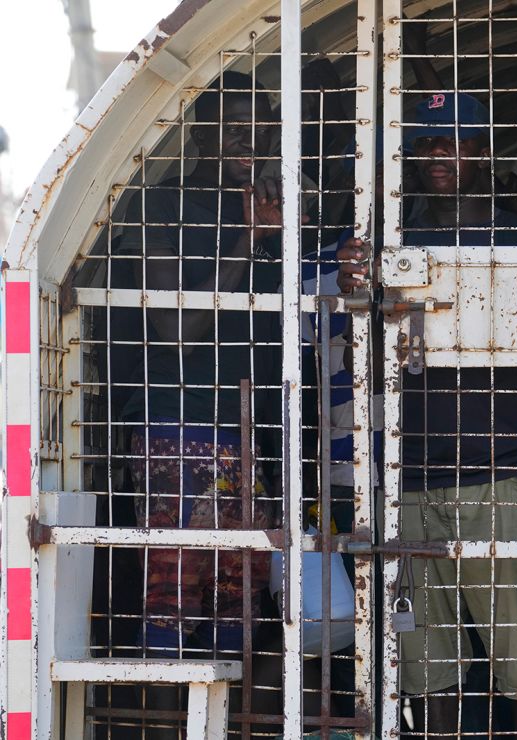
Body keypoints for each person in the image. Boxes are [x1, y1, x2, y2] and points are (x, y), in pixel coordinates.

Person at [337, 92, 517, 738]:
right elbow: (361, 352)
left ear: (483, 149)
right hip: (415, 475)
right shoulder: (392, 241)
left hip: (504, 473)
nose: (437, 156)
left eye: (452, 141)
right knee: (428, 673)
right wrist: (355, 287)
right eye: (426, 144)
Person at [116, 70, 284, 733]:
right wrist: (248, 238)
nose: (249, 140)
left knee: (238, 619)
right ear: (199, 129)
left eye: (260, 128)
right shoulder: (162, 203)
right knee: (169, 614)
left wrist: (272, 228)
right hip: (173, 428)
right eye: (234, 126)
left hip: (246, 431)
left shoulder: (268, 199)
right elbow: (176, 326)